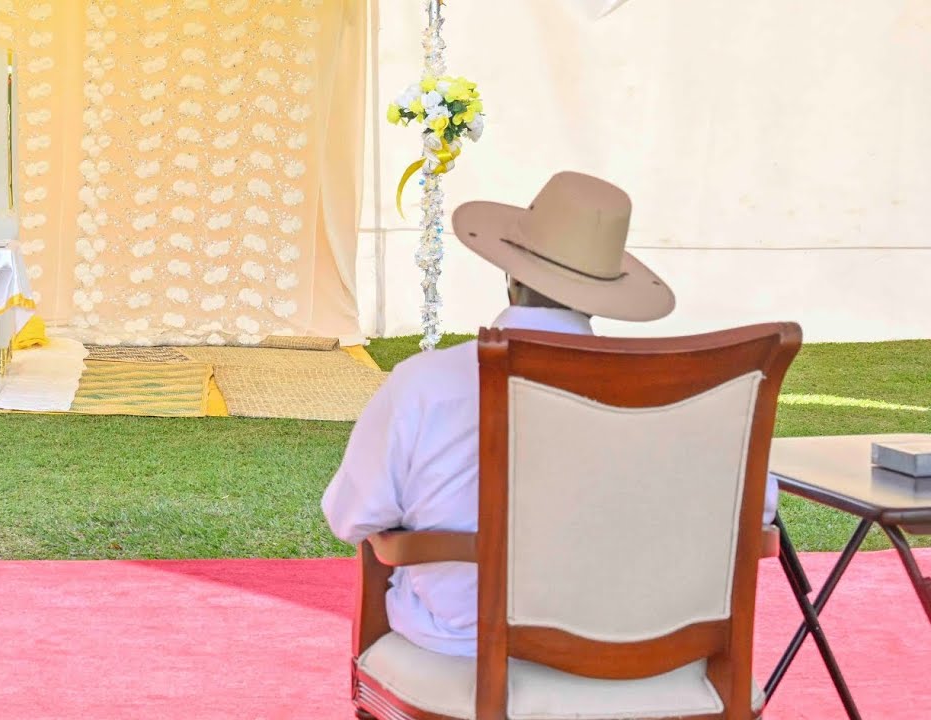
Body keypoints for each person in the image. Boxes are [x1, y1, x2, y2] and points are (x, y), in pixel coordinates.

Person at [322, 171, 781, 657]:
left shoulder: (427, 382)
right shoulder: (693, 392)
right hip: (646, 647)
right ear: (605, 293)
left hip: (467, 644)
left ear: (511, 276)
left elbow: (353, 517)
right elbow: (759, 511)